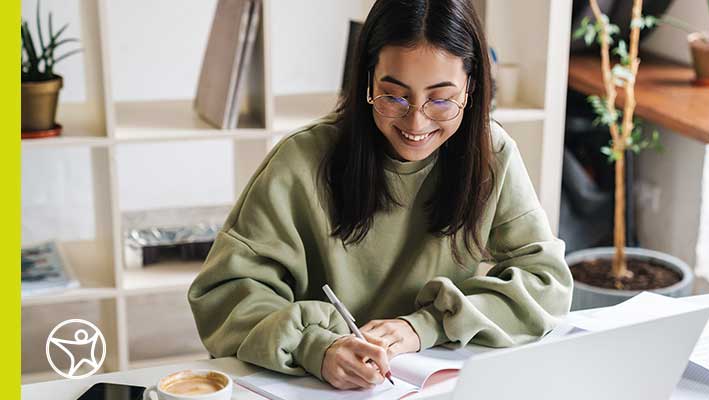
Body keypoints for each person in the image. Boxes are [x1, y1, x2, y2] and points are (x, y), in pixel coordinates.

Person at [188, 0, 573, 391]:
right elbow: (224, 295)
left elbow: (548, 283)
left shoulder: (492, 155)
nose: (416, 122)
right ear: (367, 80)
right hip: (312, 387)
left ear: (471, 88)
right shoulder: (301, 160)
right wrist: (316, 347)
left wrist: (424, 326)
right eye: (395, 96)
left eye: (441, 99)